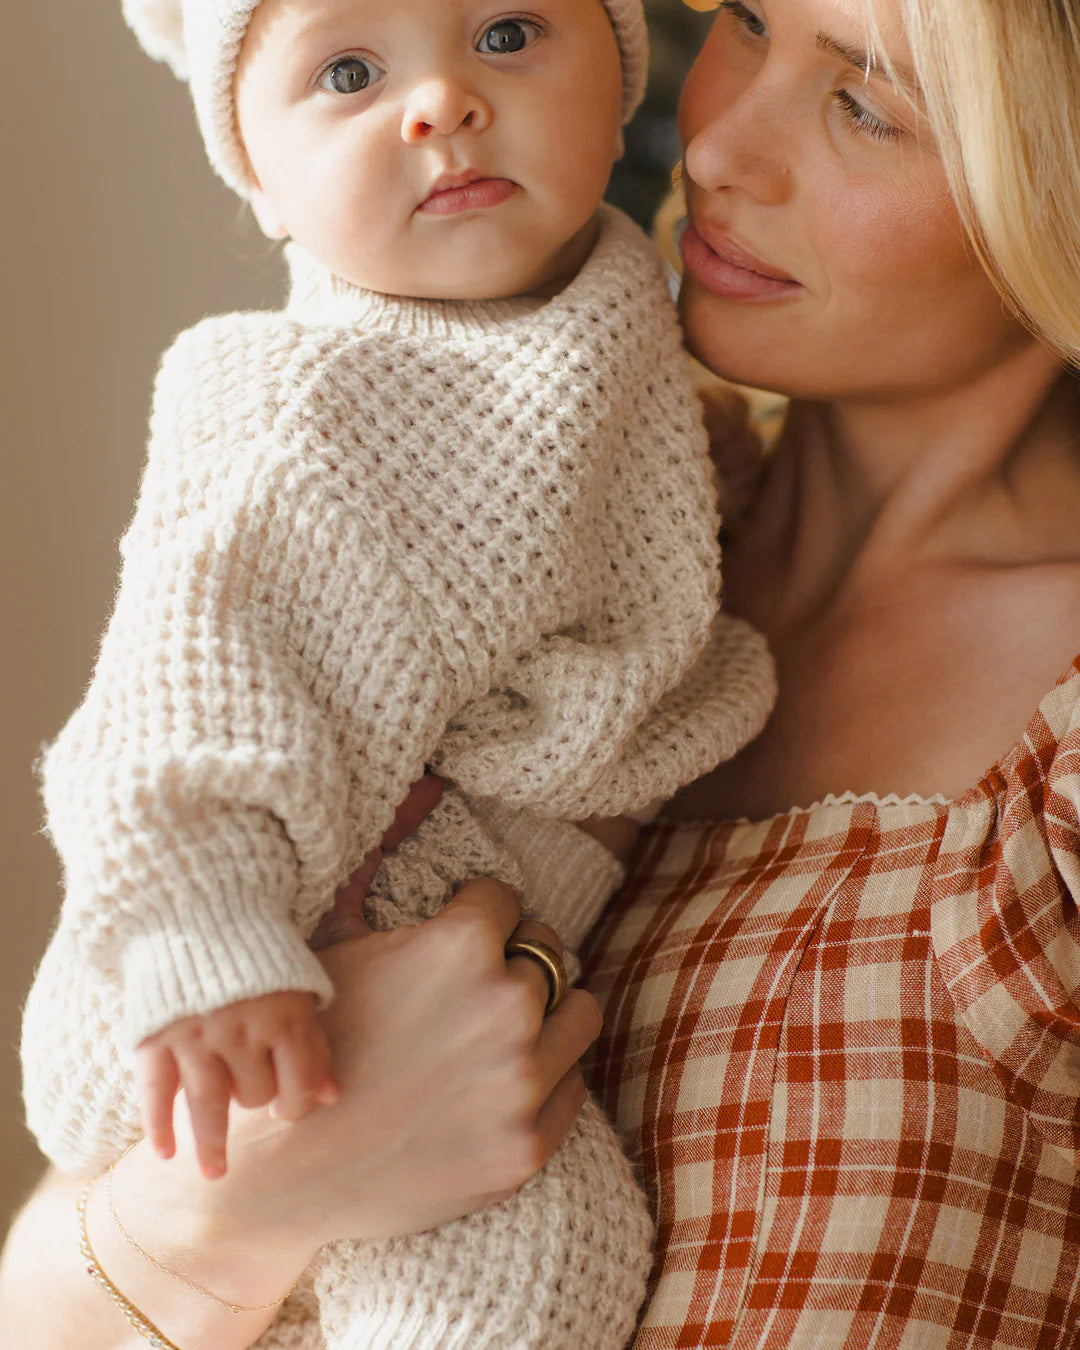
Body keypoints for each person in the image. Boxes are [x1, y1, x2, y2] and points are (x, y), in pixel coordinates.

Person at [5, 0, 1080, 1344]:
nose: (717, 149)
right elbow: (38, 1307)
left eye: (865, 107)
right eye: (747, 22)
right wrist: (254, 1196)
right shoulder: (507, 519)